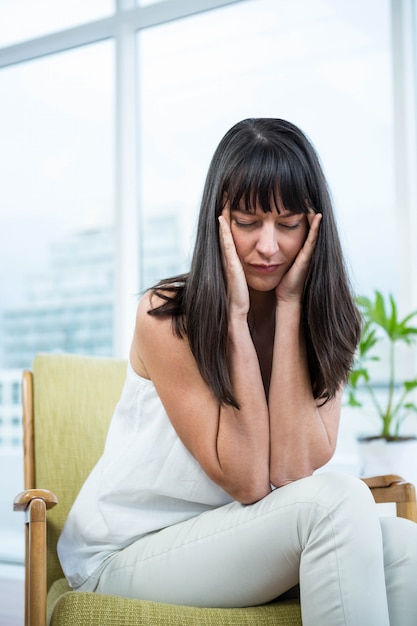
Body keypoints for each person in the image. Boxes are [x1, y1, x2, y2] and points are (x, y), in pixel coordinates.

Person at [58, 118, 417, 625]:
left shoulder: (331, 320)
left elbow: (291, 473)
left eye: (288, 223)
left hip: (234, 537)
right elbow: (250, 481)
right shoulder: (167, 317)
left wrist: (291, 308)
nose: (268, 247)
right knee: (338, 500)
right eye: (248, 222)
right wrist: (236, 319)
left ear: (315, 225)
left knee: (404, 544)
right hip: (126, 551)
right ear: (217, 222)